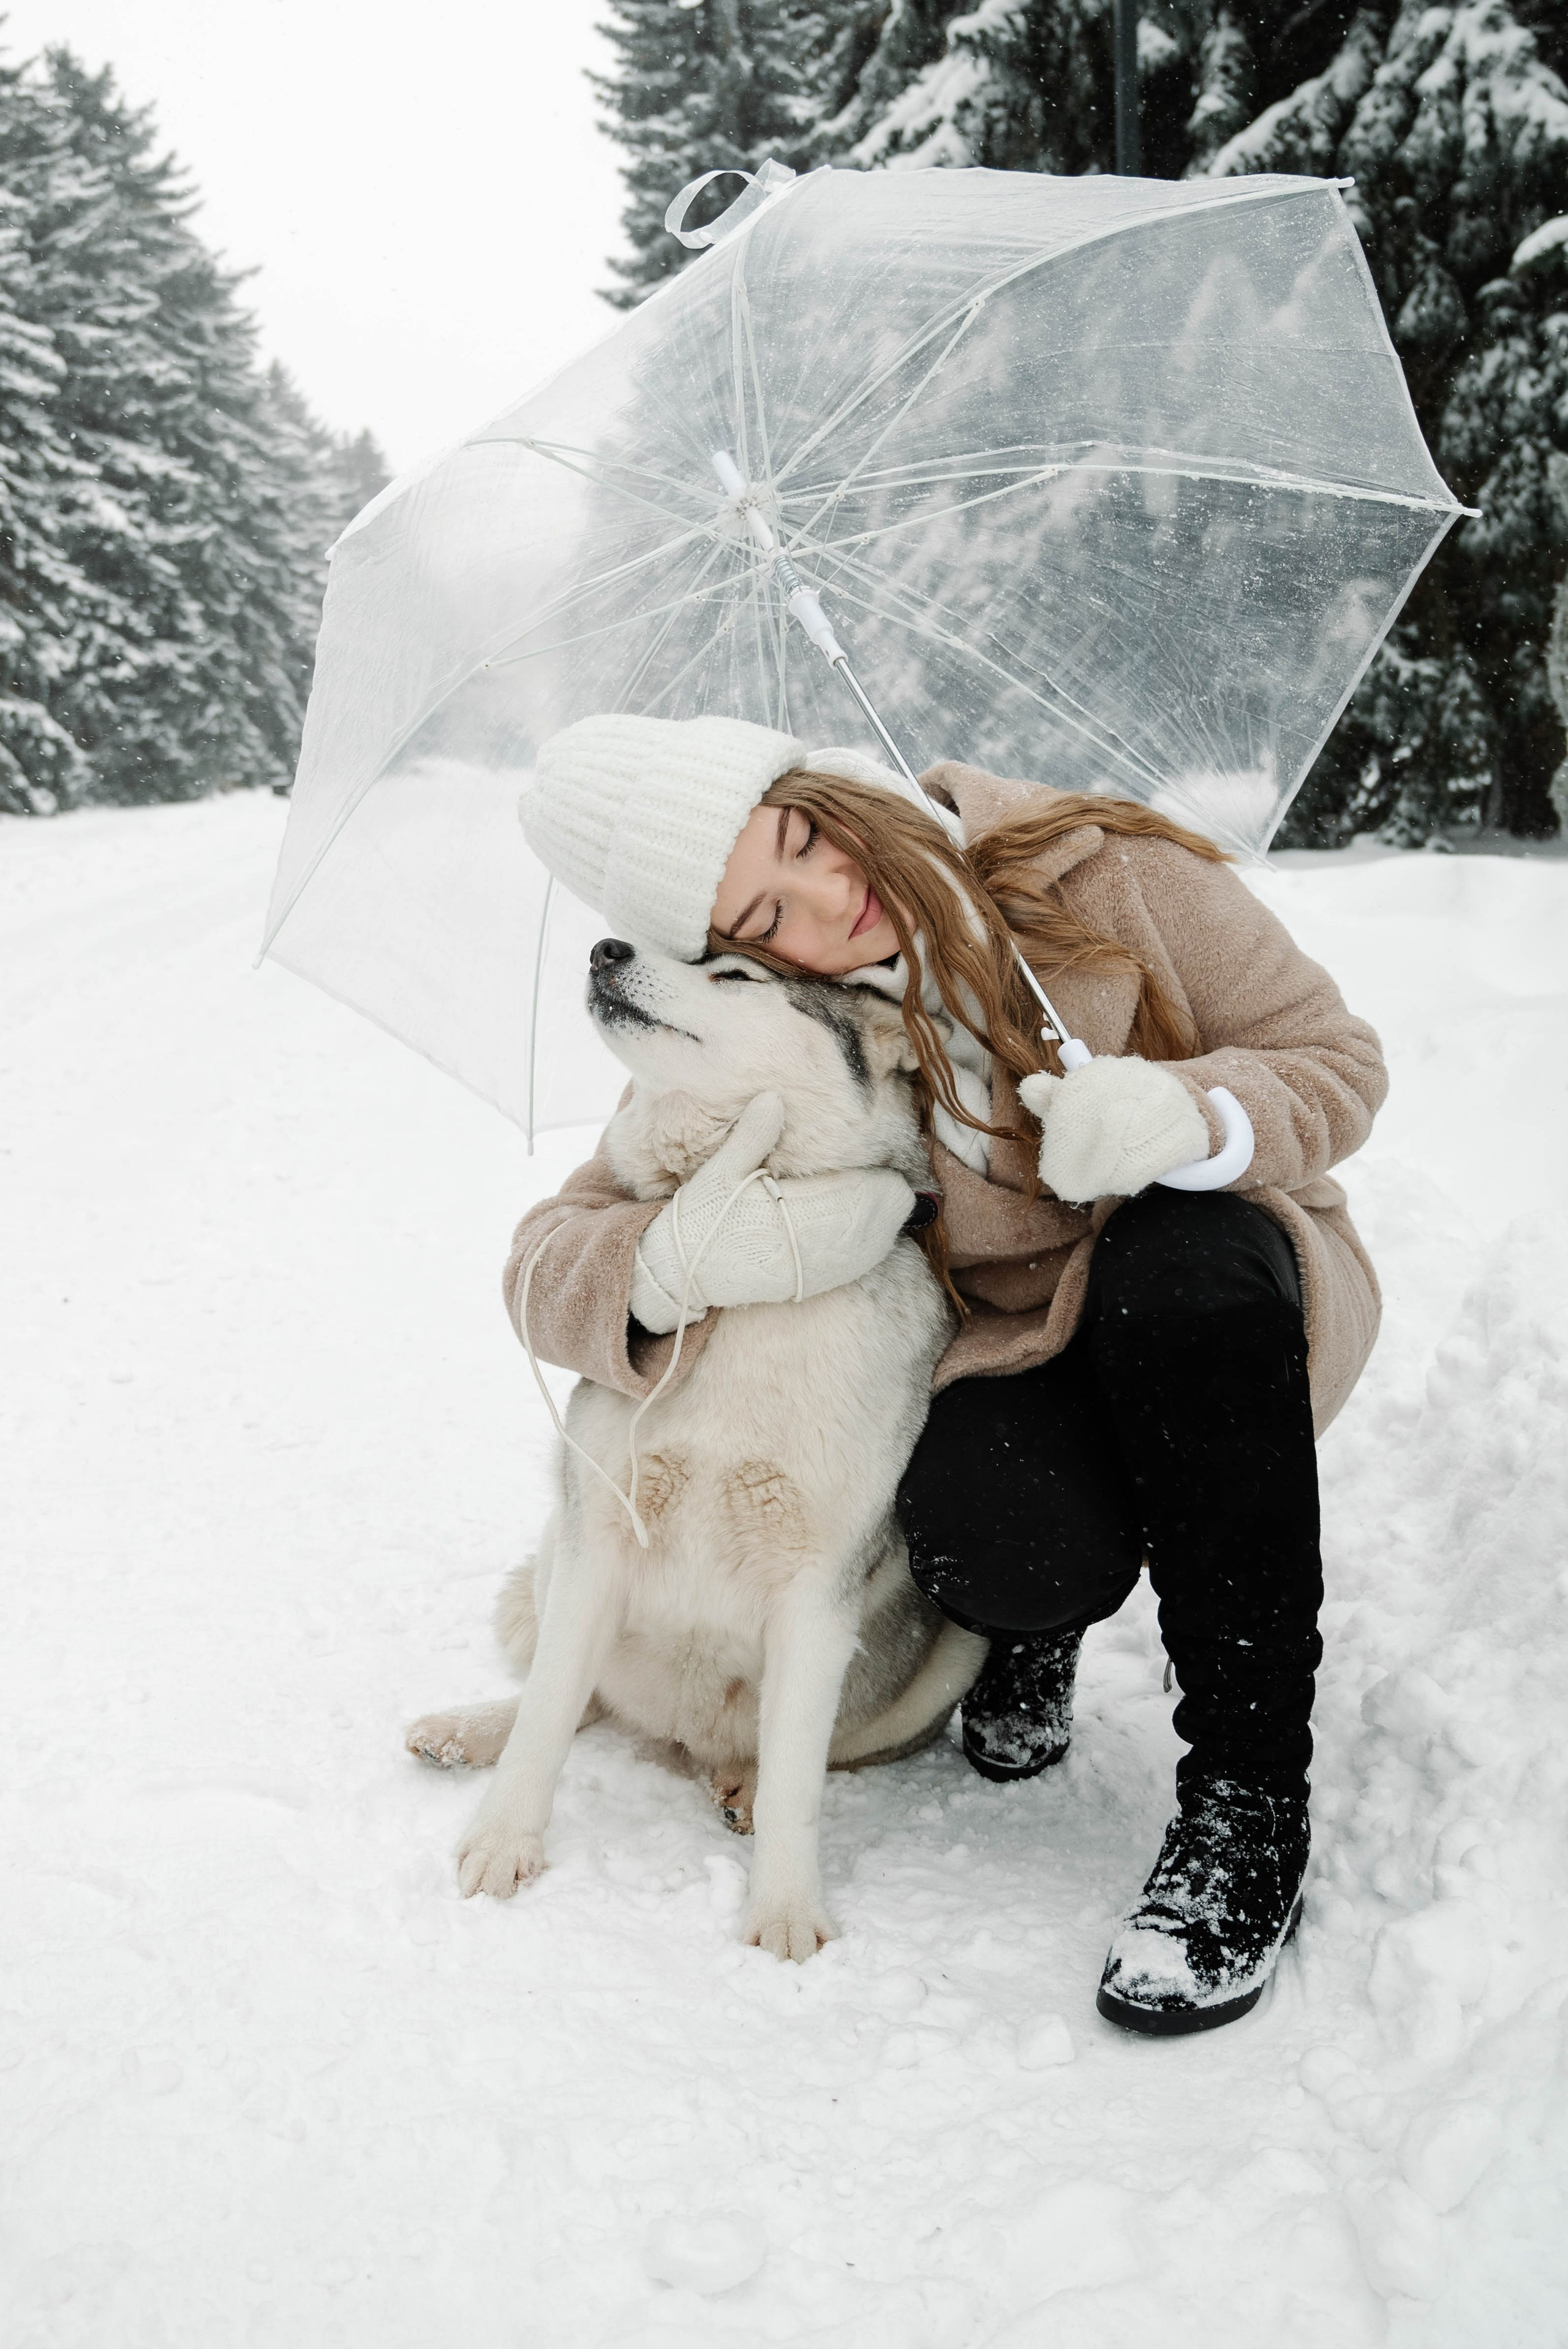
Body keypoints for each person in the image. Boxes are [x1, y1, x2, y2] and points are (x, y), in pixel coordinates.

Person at [507, 710, 1387, 2035]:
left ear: (828, 788)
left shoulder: (1105, 871)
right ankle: (1036, 1634)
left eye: (806, 836)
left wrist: (1188, 1115)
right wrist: (659, 1264)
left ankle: (1246, 1796)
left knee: (1180, 1272)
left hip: (1210, 1293)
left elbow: (1336, 1060)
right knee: (991, 1539)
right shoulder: (804, 1025)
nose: (829, 896)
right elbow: (553, 1248)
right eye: (768, 915)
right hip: (1017, 1354)